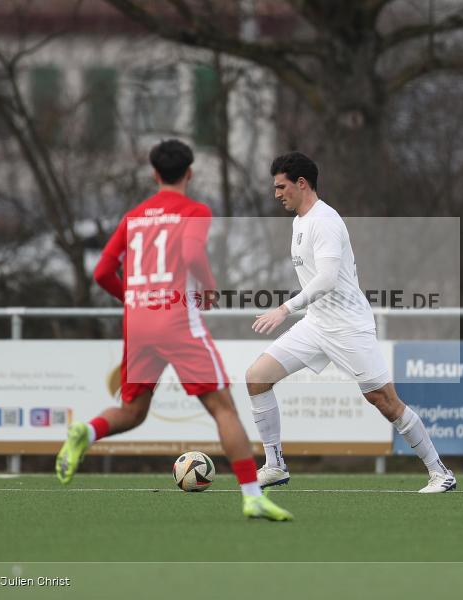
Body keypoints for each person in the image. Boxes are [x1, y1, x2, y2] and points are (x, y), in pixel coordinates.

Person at [56, 139, 293, 521]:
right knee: (223, 409)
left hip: (138, 324)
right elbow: (190, 255)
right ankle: (252, 496)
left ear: (154, 174)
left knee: (133, 411)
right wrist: (209, 285)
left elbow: (101, 272)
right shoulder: (194, 210)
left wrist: (132, 299)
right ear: (190, 173)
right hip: (176, 319)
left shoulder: (134, 216)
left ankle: (87, 430)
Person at [246, 151, 457, 493]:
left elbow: (328, 278)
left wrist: (284, 309)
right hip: (316, 324)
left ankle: (440, 472)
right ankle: (275, 466)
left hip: (348, 325)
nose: (277, 194)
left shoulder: (324, 221)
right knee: (257, 378)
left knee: (384, 401)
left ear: (302, 184)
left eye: (281, 186)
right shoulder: (299, 221)